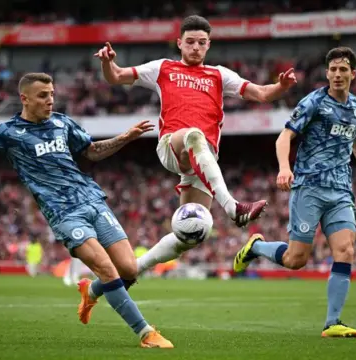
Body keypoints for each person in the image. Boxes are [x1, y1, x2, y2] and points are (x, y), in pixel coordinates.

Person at [0, 72, 174, 348]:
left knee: (129, 270)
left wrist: (125, 137)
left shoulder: (62, 122)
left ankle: (90, 291)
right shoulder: (8, 132)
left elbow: (92, 151)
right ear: (24, 98)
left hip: (93, 199)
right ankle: (146, 333)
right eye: (43, 96)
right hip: (64, 212)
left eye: (52, 95)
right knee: (107, 269)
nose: (50, 101)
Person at [78, 15, 297, 322]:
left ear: (209, 45)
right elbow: (115, 76)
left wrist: (281, 86)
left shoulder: (220, 75)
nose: (196, 47)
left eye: (202, 42)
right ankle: (234, 208)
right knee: (194, 134)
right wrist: (107, 62)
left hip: (202, 161)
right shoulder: (162, 68)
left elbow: (261, 94)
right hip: (173, 145)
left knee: (191, 235)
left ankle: (97, 288)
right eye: (190, 42)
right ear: (179, 43)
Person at [233, 47, 356, 338]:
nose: (337, 74)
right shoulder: (314, 102)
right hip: (309, 187)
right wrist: (284, 167)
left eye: (343, 69)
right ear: (327, 73)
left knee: (345, 250)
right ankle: (256, 247)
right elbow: (285, 136)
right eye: (332, 69)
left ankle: (332, 323)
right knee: (297, 260)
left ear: (352, 74)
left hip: (341, 191)